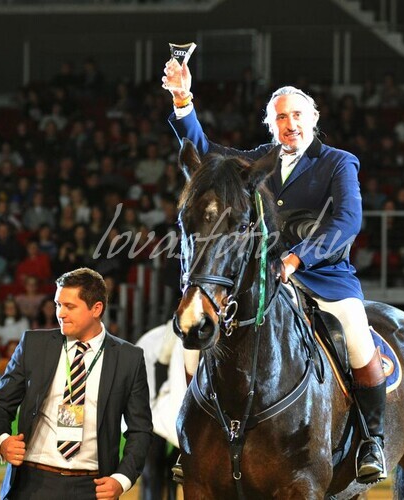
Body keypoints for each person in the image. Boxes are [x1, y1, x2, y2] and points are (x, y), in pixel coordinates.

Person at [162, 59, 387, 484]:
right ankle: (195, 439)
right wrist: (182, 99)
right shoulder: (253, 165)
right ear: (271, 125)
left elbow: (347, 221)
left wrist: (297, 258)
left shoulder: (338, 163)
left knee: (357, 337)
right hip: (262, 282)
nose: (290, 124)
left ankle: (371, 440)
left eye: (297, 115)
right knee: (193, 344)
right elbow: (204, 153)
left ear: (313, 119)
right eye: (281, 117)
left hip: (322, 278)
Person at [0, 267, 153, 499]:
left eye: (69, 306)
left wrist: (121, 479)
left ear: (96, 309)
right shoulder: (33, 344)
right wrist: (2, 441)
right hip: (31, 483)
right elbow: (0, 405)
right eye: (58, 304)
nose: (60, 313)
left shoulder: (129, 358)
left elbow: (140, 430)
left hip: (92, 487)